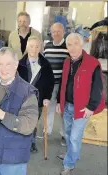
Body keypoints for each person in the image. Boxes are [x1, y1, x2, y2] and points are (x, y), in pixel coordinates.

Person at [0, 47, 39, 175]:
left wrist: (2, 115)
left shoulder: (27, 92)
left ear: (16, 65)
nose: (4, 69)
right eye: (0, 64)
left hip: (13, 156)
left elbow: (28, 126)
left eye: (8, 64)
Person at [56, 33, 105, 175]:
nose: (72, 47)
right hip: (67, 105)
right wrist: (60, 101)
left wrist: (91, 107)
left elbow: (98, 87)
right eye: (69, 44)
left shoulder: (92, 63)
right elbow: (63, 83)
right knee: (67, 133)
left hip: (82, 108)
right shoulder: (67, 62)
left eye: (75, 44)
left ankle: (69, 164)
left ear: (81, 44)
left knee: (74, 137)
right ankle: (71, 153)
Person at [17, 36, 55, 153]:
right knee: (21, 120)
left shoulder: (45, 64)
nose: (34, 49)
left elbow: (50, 82)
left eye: (37, 46)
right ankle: (20, 141)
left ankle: (31, 142)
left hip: (38, 99)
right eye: (31, 46)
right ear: (27, 47)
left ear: (40, 48)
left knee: (33, 122)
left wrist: (47, 97)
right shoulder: (19, 64)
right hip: (22, 99)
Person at [43, 23, 69, 146]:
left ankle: (64, 134)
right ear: (51, 33)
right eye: (54, 31)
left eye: (59, 31)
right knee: (49, 108)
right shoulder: (47, 46)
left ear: (63, 32)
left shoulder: (68, 46)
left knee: (63, 110)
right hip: (50, 84)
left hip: (63, 85)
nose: (56, 33)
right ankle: (47, 131)